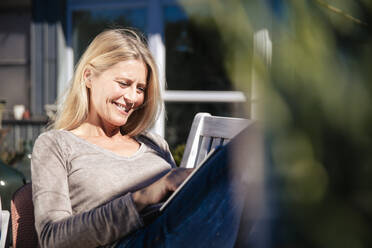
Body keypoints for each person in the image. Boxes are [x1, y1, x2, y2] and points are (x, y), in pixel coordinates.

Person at [31, 28, 256, 248]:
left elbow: (177, 210)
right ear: (89, 76)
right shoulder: (56, 145)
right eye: (124, 83)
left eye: (140, 88)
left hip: (180, 233)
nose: (132, 98)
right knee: (240, 153)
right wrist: (145, 195)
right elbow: (52, 238)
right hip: (131, 241)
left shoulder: (153, 143)